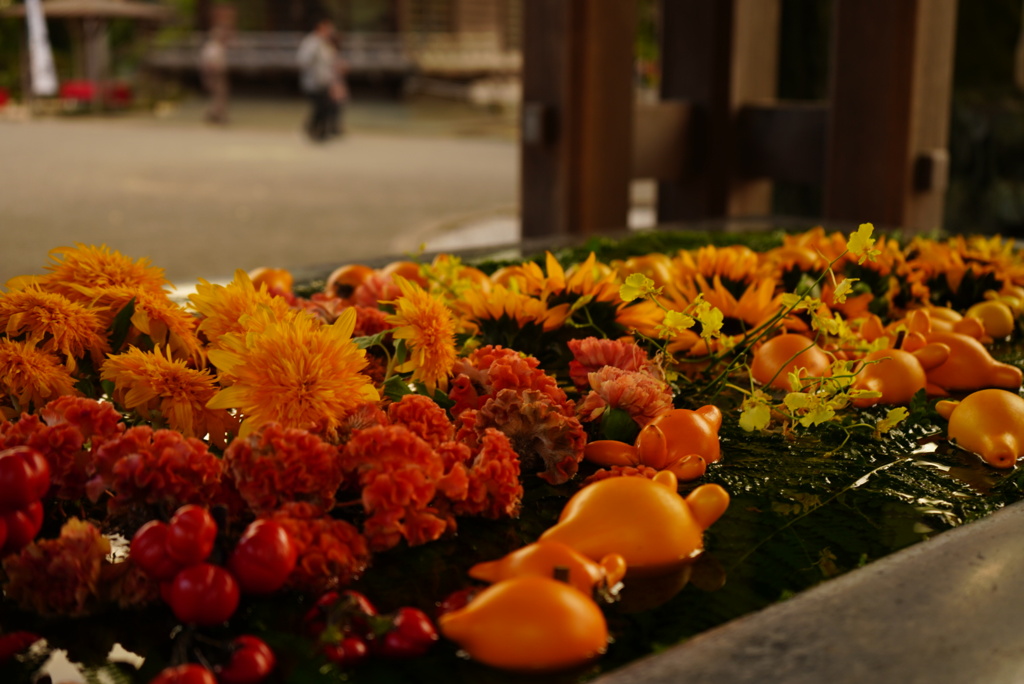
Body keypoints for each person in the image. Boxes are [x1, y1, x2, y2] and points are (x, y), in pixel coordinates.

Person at [296, 18, 339, 141]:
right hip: (313, 82)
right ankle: (314, 130)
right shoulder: (312, 42)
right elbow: (302, 61)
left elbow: (329, 64)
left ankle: (320, 131)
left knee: (326, 106)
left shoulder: (325, 44)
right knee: (320, 107)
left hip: (324, 81)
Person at [199, 25, 230, 124]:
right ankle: (215, 115)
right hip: (215, 74)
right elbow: (209, 63)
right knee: (218, 95)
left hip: (218, 73)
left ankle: (216, 114)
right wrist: (211, 76)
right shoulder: (213, 47)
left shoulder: (218, 46)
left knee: (220, 95)